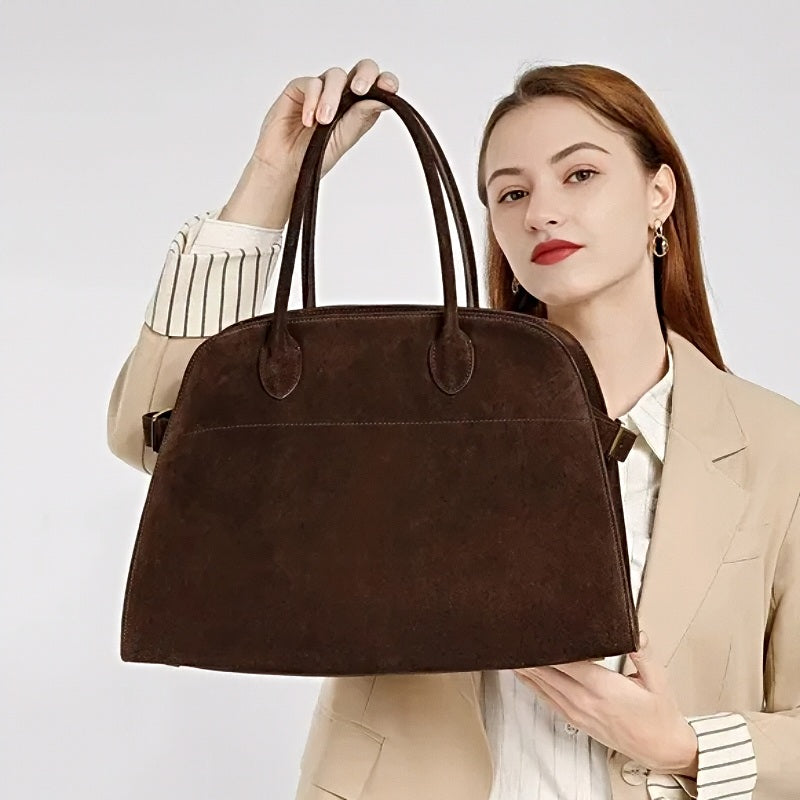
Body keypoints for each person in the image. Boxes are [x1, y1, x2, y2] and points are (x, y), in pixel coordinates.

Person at [106, 59, 800, 800]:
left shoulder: (775, 445)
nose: (540, 213)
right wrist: (272, 182)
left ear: (658, 193)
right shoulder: (415, 406)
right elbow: (160, 435)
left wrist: (683, 744)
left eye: (580, 175)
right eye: (511, 192)